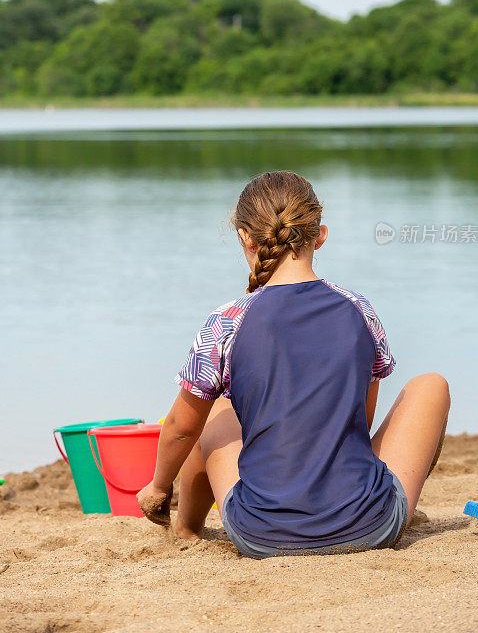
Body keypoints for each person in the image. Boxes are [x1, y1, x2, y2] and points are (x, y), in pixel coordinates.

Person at [137, 170, 450, 558]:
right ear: (320, 235)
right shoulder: (360, 310)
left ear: (244, 237)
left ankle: (186, 530)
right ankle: (374, 500)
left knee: (213, 407)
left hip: (260, 535)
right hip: (372, 526)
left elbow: (181, 430)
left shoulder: (226, 321)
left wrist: (158, 487)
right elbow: (360, 420)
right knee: (430, 385)